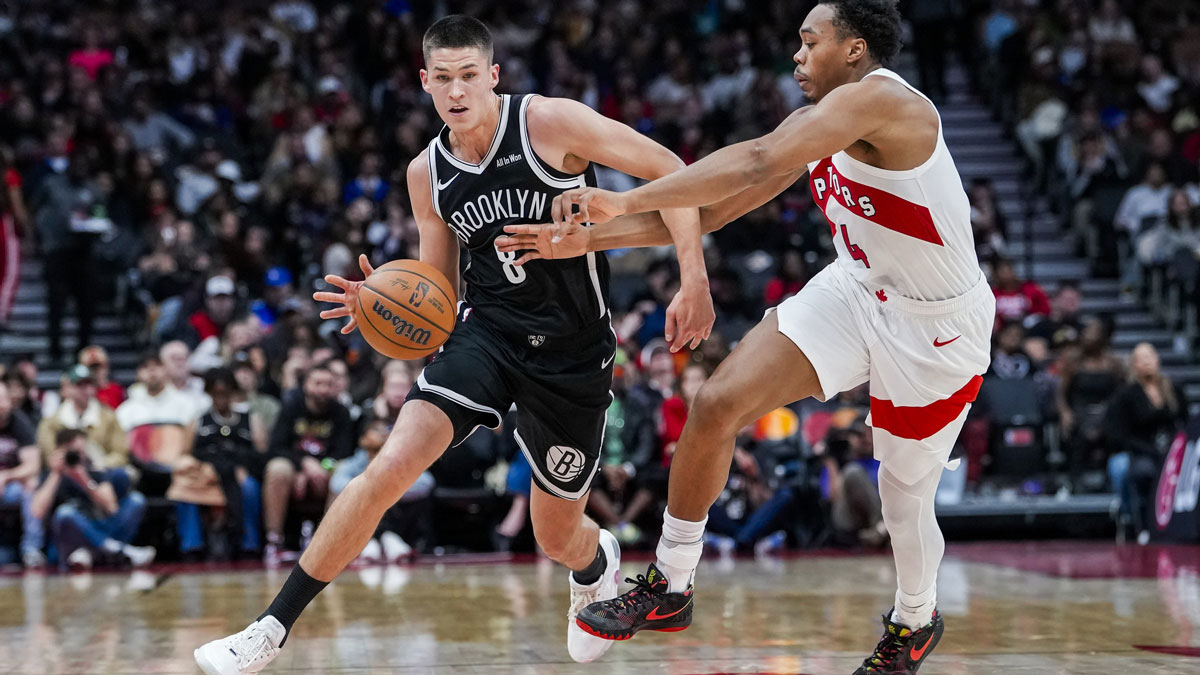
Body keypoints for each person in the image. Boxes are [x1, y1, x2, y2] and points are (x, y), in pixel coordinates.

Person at [195, 14, 718, 672]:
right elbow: (436, 299)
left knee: (555, 534)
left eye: (469, 75)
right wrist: (384, 301)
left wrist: (692, 280)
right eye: (443, 78)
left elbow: (671, 170)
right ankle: (269, 628)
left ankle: (595, 562)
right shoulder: (428, 174)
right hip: (487, 335)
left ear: (493, 75)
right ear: (425, 83)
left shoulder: (549, 123)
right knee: (389, 466)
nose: (457, 89)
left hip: (571, 351)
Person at [497, 3, 992, 672]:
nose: (796, 54)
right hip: (856, 287)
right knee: (716, 402)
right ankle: (671, 581)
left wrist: (625, 198)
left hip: (936, 325)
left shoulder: (888, 104)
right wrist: (585, 239)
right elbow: (718, 209)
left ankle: (914, 618)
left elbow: (756, 159)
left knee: (902, 495)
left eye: (809, 41)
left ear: (853, 49)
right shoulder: (816, 126)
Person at [261, 363, 354, 566]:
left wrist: (322, 467)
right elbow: (276, 447)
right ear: (306, 386)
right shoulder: (290, 407)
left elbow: (344, 452)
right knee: (277, 469)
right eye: (317, 383)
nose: (323, 389)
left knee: (343, 475)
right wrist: (304, 465)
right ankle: (274, 541)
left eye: (328, 384)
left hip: (327, 470)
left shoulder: (341, 413)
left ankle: (328, 544)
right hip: (294, 468)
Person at [31, 428, 155, 570]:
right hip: (67, 544)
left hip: (98, 529)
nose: (80, 456)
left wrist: (84, 480)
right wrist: (56, 474)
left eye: (82, 451)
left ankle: (93, 551)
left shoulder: (93, 472)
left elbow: (111, 508)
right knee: (65, 513)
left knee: (136, 500)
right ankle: (117, 550)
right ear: (59, 451)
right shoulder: (49, 475)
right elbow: (37, 512)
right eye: (74, 452)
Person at [1107, 342, 1186, 545]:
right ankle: (1144, 526)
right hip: (1142, 449)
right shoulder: (1126, 395)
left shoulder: (1173, 389)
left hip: (1173, 450)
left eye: (1150, 357)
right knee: (1144, 472)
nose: (1147, 362)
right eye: (1141, 359)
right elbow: (1121, 434)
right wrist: (1150, 451)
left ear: (1157, 360)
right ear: (1134, 365)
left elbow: (1184, 423)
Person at [0, 380, 44, 568]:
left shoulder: (19, 422)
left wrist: (6, 476)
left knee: (31, 485)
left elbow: (33, 465)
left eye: (2, 399)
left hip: (11, 485)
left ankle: (31, 550)